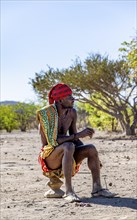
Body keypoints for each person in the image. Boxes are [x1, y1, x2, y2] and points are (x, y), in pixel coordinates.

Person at [37, 83, 116, 202]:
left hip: (67, 152)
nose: (73, 100)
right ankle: (69, 191)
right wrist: (78, 135)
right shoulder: (47, 115)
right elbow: (53, 141)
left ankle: (97, 188)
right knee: (68, 145)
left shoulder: (72, 113)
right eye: (69, 97)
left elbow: (74, 137)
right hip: (50, 157)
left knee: (91, 148)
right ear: (59, 99)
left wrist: (93, 156)